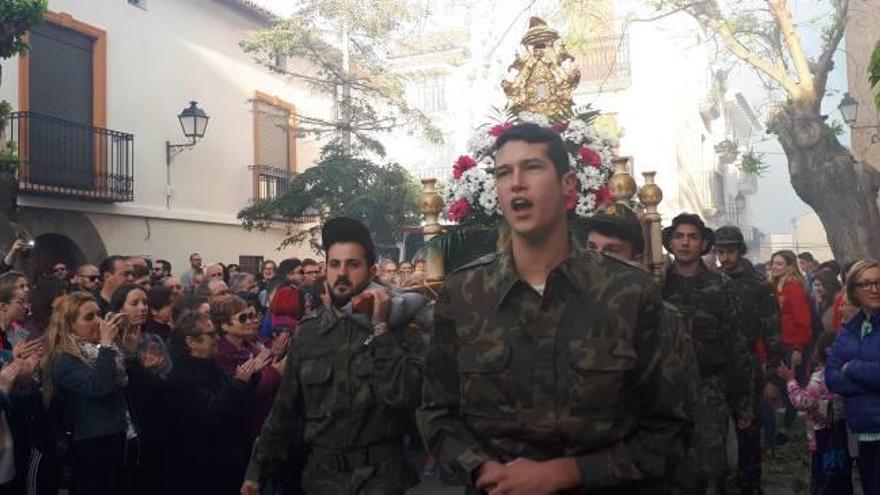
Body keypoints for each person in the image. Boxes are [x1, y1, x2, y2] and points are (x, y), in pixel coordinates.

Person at [418, 123, 690, 493]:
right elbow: (437, 412)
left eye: (531, 167)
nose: (516, 182)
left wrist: (569, 473)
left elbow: (671, 428)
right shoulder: (464, 294)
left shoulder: (629, 293)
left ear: (568, 186)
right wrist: (482, 468)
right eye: (503, 173)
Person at [243, 217, 429, 495]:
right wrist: (256, 472)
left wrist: (381, 329)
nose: (342, 273)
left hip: (381, 480)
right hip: (322, 480)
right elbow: (285, 410)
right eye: (334, 264)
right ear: (325, 270)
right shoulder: (309, 332)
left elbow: (406, 395)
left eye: (352, 264)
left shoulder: (401, 329)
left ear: (370, 271)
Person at [662, 214, 754, 493]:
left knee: (712, 470)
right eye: (679, 236)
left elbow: (736, 345)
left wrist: (744, 402)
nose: (685, 243)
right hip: (667, 393)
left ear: (703, 244)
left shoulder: (721, 286)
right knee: (669, 467)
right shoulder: (656, 285)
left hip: (710, 390)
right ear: (670, 242)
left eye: (692, 237)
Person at [714, 225, 784, 494]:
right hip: (717, 370)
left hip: (747, 369)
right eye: (721, 251)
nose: (725, 257)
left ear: (740, 250)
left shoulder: (758, 285)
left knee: (749, 433)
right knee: (715, 435)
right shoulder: (712, 280)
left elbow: (773, 333)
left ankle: (751, 486)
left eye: (730, 251)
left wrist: (773, 378)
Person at [40, 293, 130, 494]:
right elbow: (98, 387)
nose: (98, 321)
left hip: (113, 435)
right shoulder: (64, 358)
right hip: (89, 443)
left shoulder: (97, 351)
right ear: (69, 325)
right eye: (89, 317)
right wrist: (107, 346)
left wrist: (126, 351)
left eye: (99, 314)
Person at [163, 310, 259, 494]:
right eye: (210, 334)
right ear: (191, 342)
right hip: (205, 470)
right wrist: (239, 383)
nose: (217, 338)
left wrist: (250, 378)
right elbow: (212, 412)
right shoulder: (182, 378)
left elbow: (235, 401)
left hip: (229, 462)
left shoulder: (212, 366)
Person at [826, 259, 880, 495]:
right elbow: (831, 376)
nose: (874, 289)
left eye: (879, 283)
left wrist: (853, 368)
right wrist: (869, 383)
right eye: (866, 284)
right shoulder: (850, 329)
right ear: (853, 290)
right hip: (864, 429)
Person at [779, 331, 853, 494]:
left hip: (822, 436)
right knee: (842, 474)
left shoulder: (819, 377)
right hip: (841, 432)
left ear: (819, 354)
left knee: (823, 477)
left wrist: (790, 381)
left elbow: (803, 401)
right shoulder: (845, 373)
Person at [768, 250, 812, 446]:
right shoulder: (774, 287)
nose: (774, 267)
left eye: (779, 263)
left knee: (789, 386)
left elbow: (803, 320)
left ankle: (786, 427)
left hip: (791, 344)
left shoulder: (794, 288)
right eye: (773, 263)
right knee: (777, 386)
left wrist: (798, 347)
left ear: (790, 267)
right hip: (776, 344)